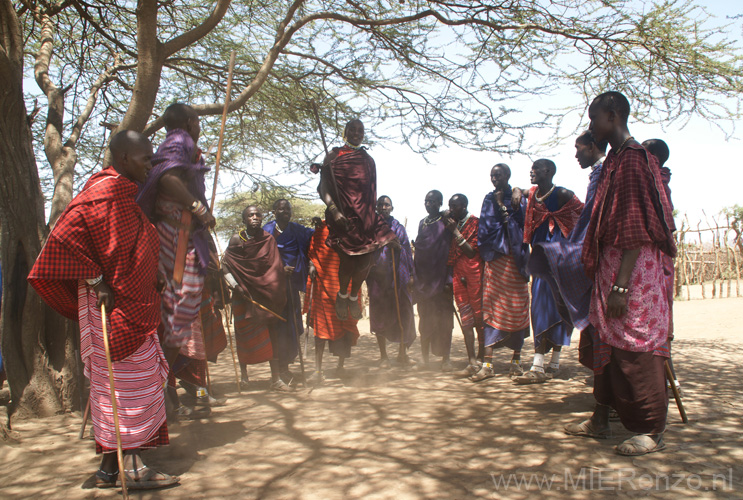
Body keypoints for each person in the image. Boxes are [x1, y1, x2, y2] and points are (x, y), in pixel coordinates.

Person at [28, 131, 178, 489]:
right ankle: (134, 466)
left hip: (132, 303)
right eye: (145, 159)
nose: (150, 166)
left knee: (119, 385)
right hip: (112, 310)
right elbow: (62, 240)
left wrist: (151, 273)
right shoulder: (100, 194)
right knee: (128, 388)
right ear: (125, 157)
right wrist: (96, 280)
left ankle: (110, 469)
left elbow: (126, 249)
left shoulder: (122, 193)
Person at [565, 91, 676, 456]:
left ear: (612, 116)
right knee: (607, 344)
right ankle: (601, 418)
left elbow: (635, 228)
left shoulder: (631, 160)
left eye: (594, 118)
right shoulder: (615, 159)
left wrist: (621, 286)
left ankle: (650, 430)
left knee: (636, 348)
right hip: (613, 268)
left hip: (632, 273)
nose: (591, 126)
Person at [136, 103, 216, 368]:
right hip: (177, 236)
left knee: (176, 308)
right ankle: (161, 378)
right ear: (191, 122)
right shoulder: (180, 140)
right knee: (181, 307)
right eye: (197, 122)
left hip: (176, 233)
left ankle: (163, 381)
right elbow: (168, 178)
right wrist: (200, 210)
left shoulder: (172, 142)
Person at [316, 119, 397, 321]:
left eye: (360, 130)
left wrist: (370, 216)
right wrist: (334, 211)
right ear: (345, 132)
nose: (356, 133)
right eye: (352, 129)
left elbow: (371, 192)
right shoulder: (333, 156)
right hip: (342, 216)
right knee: (348, 260)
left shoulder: (368, 160)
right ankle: (342, 295)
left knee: (366, 261)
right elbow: (323, 188)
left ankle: (353, 296)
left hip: (365, 217)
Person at [514, 159, 583, 384]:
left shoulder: (563, 194)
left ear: (549, 171)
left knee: (561, 308)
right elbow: (520, 190)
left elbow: (584, 215)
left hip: (560, 259)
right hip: (541, 260)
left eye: (535, 169)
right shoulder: (533, 194)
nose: (531, 172)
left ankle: (552, 361)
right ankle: (538, 364)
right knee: (540, 307)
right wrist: (516, 191)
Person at [221, 205, 291, 392]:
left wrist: (279, 279)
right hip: (243, 296)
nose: (255, 217)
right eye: (250, 215)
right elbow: (225, 266)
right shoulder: (237, 239)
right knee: (243, 335)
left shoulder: (268, 239)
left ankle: (275, 379)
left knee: (271, 334)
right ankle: (244, 378)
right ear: (244, 220)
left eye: (258, 215)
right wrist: (235, 286)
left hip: (265, 296)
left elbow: (274, 267)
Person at [471, 164, 530, 381]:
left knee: (517, 307)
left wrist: (503, 206)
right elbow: (485, 230)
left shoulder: (518, 197)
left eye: (498, 175)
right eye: (492, 175)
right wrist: (497, 206)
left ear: (508, 176)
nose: (494, 178)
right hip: (496, 261)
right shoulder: (488, 199)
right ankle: (488, 364)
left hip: (517, 262)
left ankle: (516, 360)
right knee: (492, 308)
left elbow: (522, 226)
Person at [304, 219, 362, 385]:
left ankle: (340, 366)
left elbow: (358, 255)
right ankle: (318, 370)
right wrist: (312, 265)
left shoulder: (351, 229)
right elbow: (312, 253)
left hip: (346, 287)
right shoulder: (321, 230)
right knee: (321, 330)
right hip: (323, 285)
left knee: (345, 327)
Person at [264, 199, 314, 382]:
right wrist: (279, 270)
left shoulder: (297, 230)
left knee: (291, 326)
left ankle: (286, 367)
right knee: (277, 328)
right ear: (274, 211)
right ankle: (278, 370)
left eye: (288, 209)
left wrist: (321, 224)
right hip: (272, 289)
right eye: (281, 209)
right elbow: (260, 259)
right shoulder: (266, 231)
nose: (285, 211)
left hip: (291, 287)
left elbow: (316, 237)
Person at [367, 196, 416, 367]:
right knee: (379, 316)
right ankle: (384, 357)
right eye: (380, 205)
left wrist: (410, 275)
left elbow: (407, 252)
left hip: (398, 278)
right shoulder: (370, 228)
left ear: (392, 208)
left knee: (403, 314)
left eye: (386, 205)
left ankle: (403, 354)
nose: (383, 207)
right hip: (378, 280)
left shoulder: (399, 228)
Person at [444, 194, 484, 377]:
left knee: (479, 318)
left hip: (475, 274)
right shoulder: (453, 222)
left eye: (455, 206)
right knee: (466, 318)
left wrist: (456, 232)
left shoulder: (475, 223)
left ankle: (483, 359)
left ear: (465, 206)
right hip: (458, 276)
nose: (452, 209)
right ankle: (471, 361)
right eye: (450, 206)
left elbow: (470, 252)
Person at [413, 190, 454, 371]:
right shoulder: (422, 223)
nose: (428, 204)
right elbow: (420, 251)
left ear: (440, 203)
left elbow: (451, 250)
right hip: (424, 282)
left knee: (445, 321)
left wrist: (449, 279)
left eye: (432, 201)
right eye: (426, 201)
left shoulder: (447, 221)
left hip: (442, 280)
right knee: (425, 321)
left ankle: (446, 359)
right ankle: (424, 359)